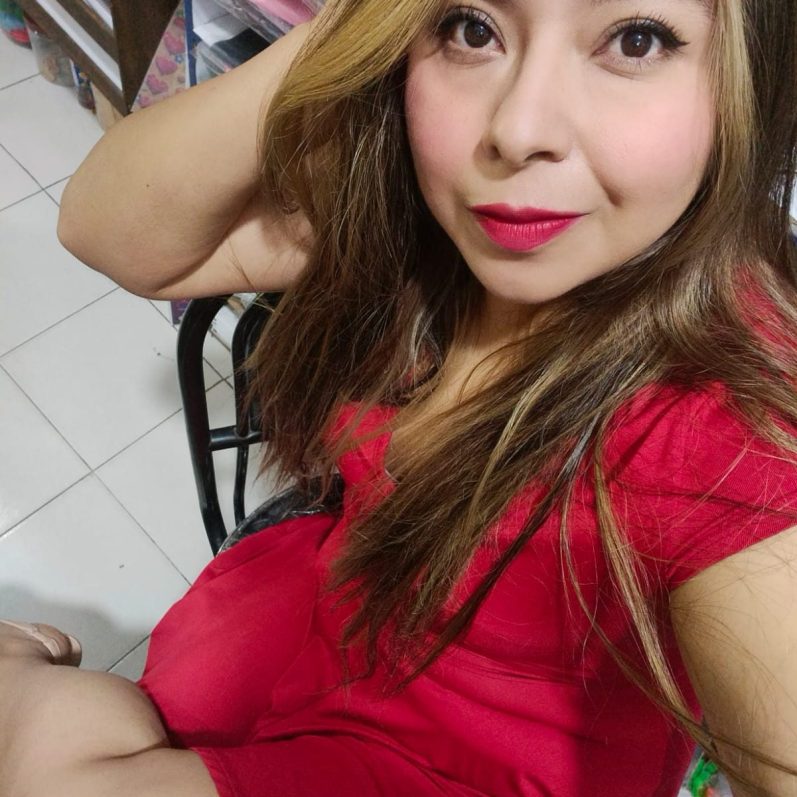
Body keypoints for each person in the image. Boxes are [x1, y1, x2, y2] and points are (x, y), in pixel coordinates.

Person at [2, 0, 797, 795]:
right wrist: (356, 26)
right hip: (327, 632)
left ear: (746, 81)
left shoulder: (728, 422)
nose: (517, 130)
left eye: (635, 40)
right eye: (471, 28)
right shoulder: (438, 237)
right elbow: (108, 231)